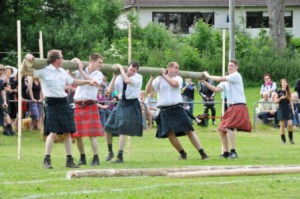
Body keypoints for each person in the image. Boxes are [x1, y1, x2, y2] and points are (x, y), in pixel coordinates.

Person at [22, 50, 98, 169]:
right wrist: (26, 58)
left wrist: (88, 81)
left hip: (63, 103)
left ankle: (69, 160)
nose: (63, 59)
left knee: (68, 132)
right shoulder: (44, 72)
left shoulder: (62, 71)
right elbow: (24, 71)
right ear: (57, 60)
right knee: (52, 133)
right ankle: (47, 160)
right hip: (51, 103)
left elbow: (73, 81)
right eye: (61, 57)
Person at [145, 62, 209, 160]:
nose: (178, 70)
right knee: (170, 134)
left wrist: (163, 75)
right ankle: (183, 153)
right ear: (169, 68)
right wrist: (151, 78)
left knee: (189, 130)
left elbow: (174, 84)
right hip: (164, 110)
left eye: (178, 68)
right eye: (176, 68)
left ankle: (203, 153)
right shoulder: (158, 79)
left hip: (177, 108)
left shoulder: (178, 78)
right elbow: (148, 91)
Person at [203, 60, 251, 159]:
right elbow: (216, 89)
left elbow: (220, 78)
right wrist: (204, 81)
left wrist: (207, 76)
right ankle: (225, 152)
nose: (229, 67)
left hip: (238, 105)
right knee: (221, 129)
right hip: (231, 107)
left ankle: (233, 152)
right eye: (228, 66)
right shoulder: (226, 81)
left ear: (236, 67)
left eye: (232, 66)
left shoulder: (236, 75)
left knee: (229, 127)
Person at [105, 61, 143, 163]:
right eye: (130, 69)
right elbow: (109, 91)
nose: (131, 72)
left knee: (122, 129)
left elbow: (127, 81)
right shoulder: (119, 77)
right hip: (121, 103)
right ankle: (110, 152)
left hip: (131, 103)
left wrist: (120, 68)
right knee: (107, 127)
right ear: (128, 67)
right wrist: (114, 76)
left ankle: (120, 156)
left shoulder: (138, 77)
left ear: (137, 71)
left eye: (133, 71)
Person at [71, 54, 105, 166]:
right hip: (79, 104)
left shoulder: (98, 74)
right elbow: (70, 75)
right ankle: (82, 157)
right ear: (92, 61)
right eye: (99, 62)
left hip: (90, 104)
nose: (101, 65)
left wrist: (80, 69)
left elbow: (92, 82)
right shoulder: (81, 70)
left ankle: (96, 158)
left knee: (92, 134)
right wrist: (75, 61)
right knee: (77, 134)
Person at [274, 79, 295, 144]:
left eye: (285, 82)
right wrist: (281, 98)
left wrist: (293, 110)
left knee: (290, 124)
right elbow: (275, 101)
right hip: (281, 109)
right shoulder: (278, 92)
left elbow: (291, 102)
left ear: (287, 84)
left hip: (288, 109)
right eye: (282, 83)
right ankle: (283, 140)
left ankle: (291, 139)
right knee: (282, 126)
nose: (284, 84)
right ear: (280, 84)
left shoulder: (289, 91)